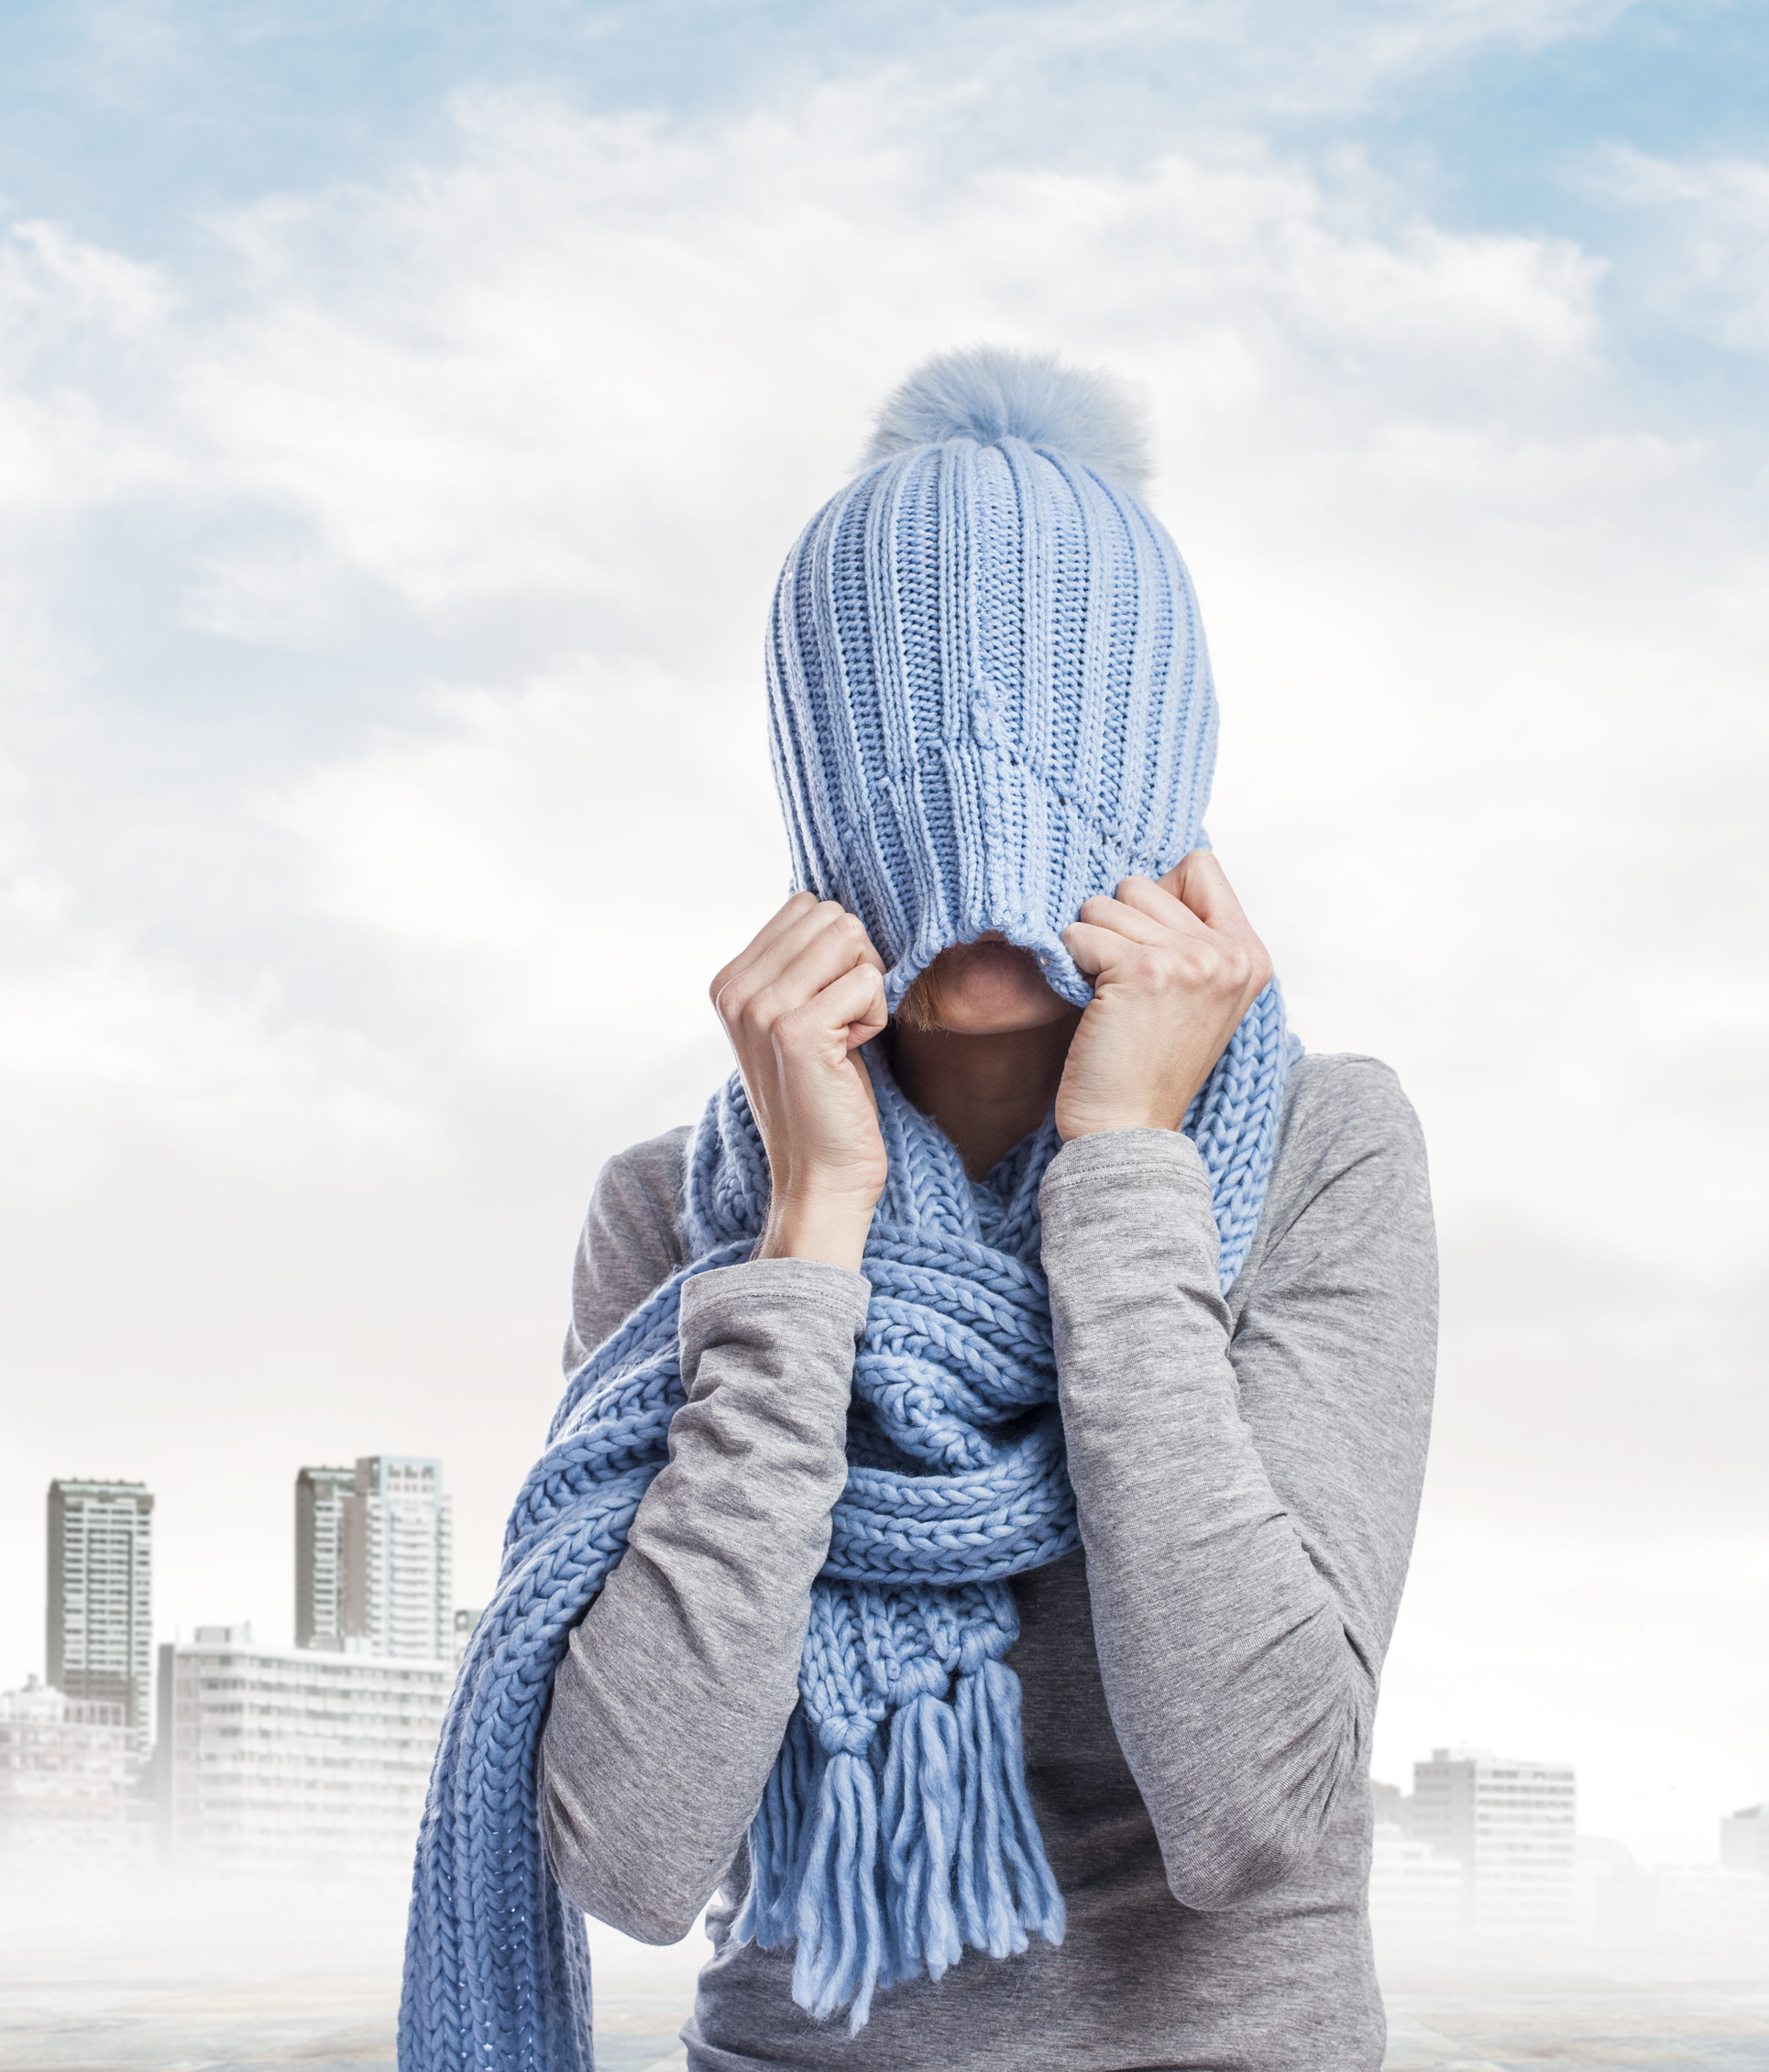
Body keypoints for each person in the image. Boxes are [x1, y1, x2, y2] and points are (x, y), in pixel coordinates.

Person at [400, 347, 1438, 2072]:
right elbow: (637, 1856)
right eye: (900, 728)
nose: (971, 800)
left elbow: (1263, 1808)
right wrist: (809, 1236)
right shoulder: (680, 1214)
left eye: (1042, 726)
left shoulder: (1327, 1148)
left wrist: (1122, 1171)